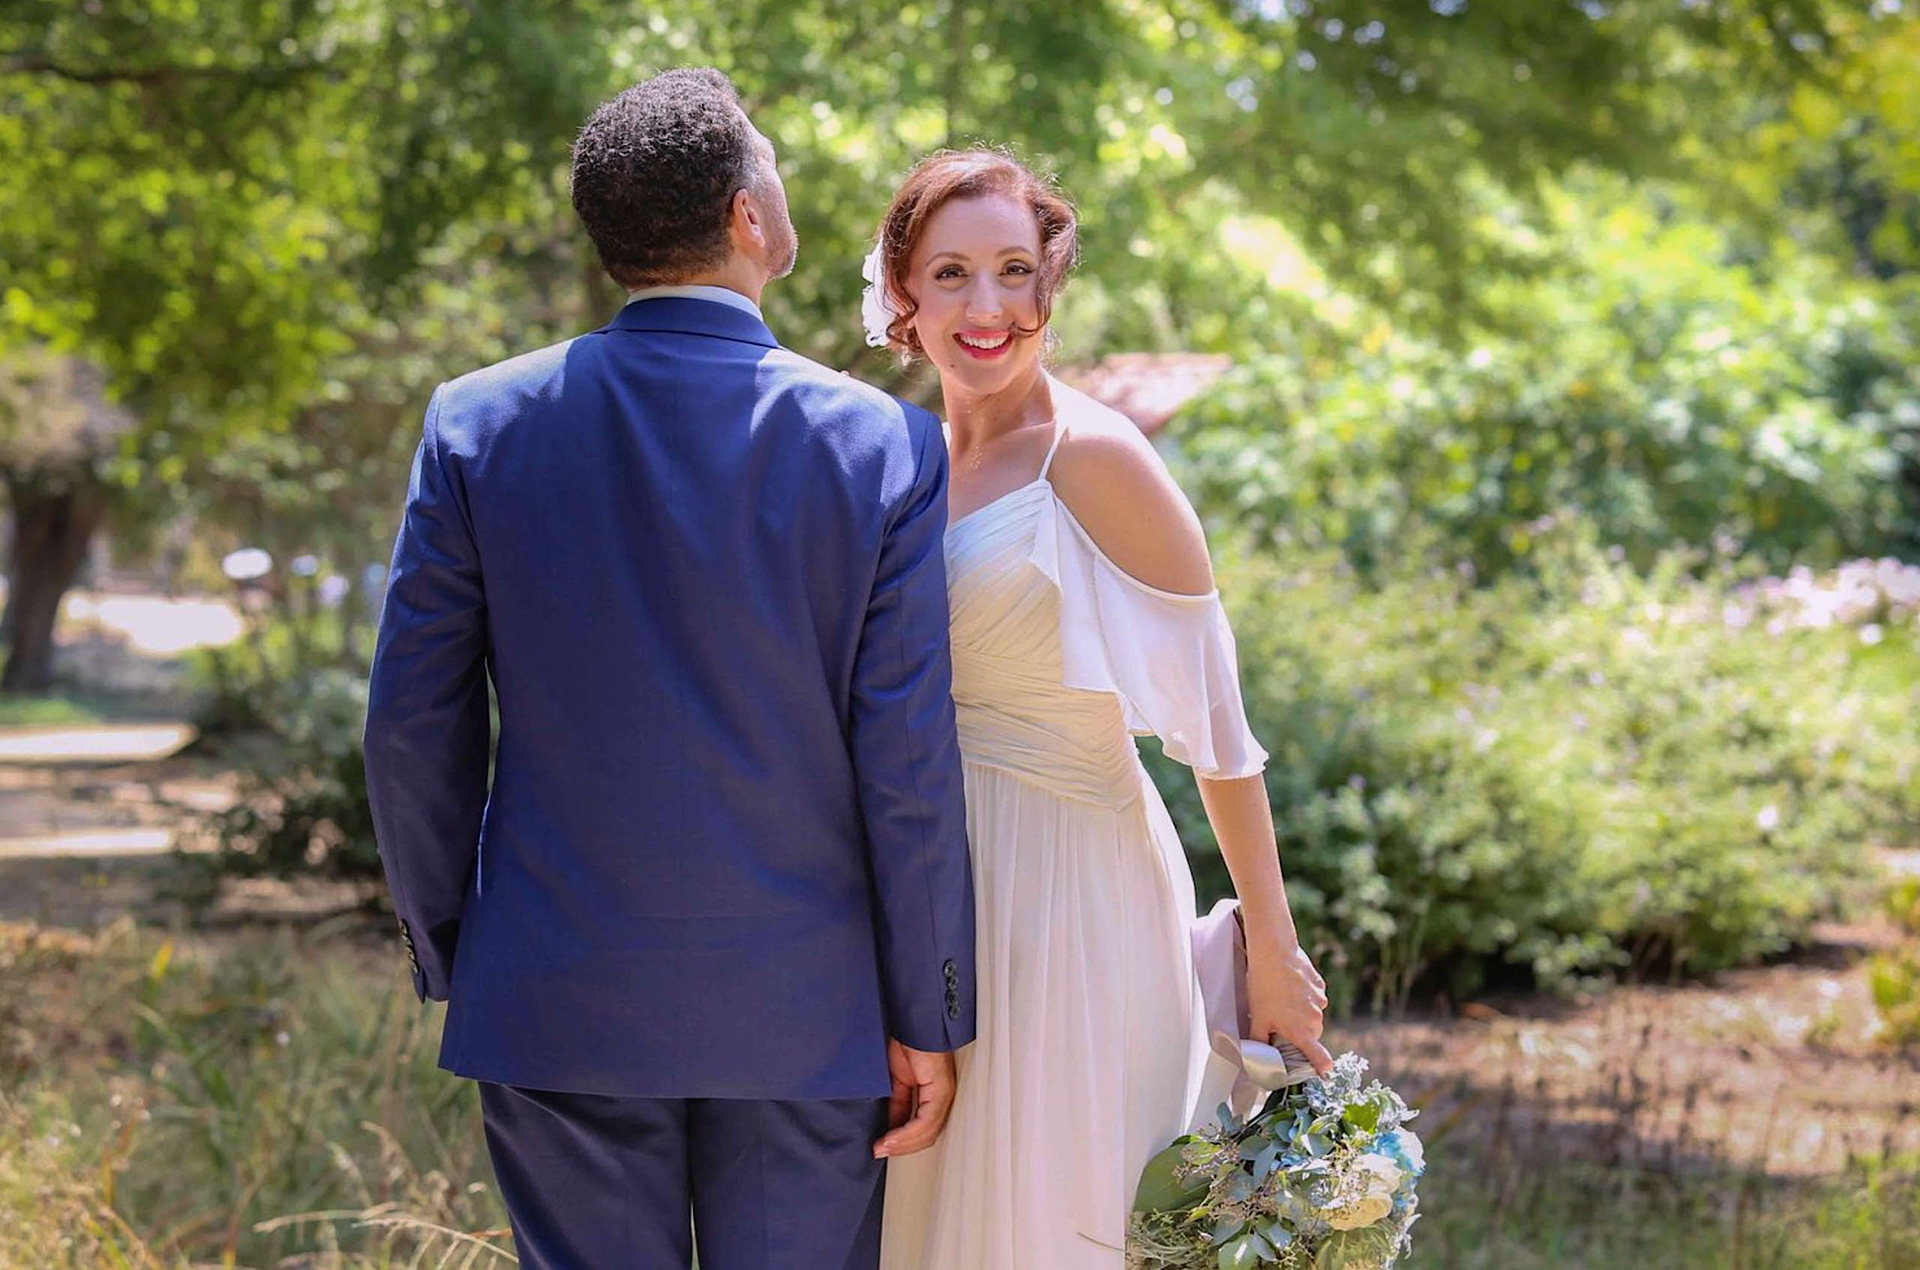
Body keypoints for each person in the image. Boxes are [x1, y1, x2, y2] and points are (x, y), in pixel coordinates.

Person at [361, 68, 976, 1270]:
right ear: (748, 216)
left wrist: (459, 948)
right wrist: (926, 1008)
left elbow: (410, 725)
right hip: (808, 1015)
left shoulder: (475, 424)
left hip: (554, 992)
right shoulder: (885, 446)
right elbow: (906, 763)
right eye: (773, 167)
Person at [865, 150, 1332, 1270]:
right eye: (952, 273)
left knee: (1053, 1206)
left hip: (1069, 882)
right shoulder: (901, 458)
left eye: (1015, 271)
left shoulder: (1097, 459)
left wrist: (1273, 949)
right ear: (904, 294)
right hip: (938, 884)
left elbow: (1218, 729)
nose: (987, 306)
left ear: (1050, 285)